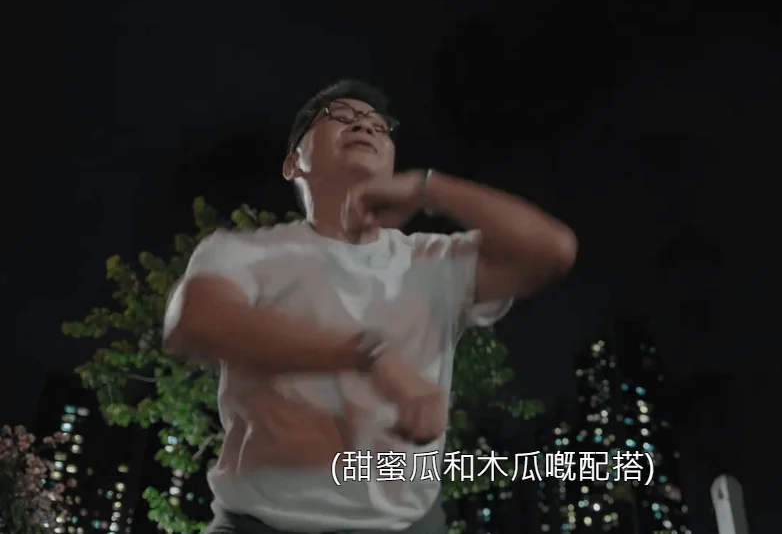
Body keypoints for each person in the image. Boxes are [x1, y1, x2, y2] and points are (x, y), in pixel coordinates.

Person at [163, 79, 577, 534]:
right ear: (292, 162)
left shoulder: (433, 261)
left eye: (379, 127)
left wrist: (429, 189)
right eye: (339, 118)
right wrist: (368, 355)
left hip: (405, 525)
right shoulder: (242, 252)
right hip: (258, 522)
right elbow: (195, 321)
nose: (363, 126)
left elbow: (550, 251)